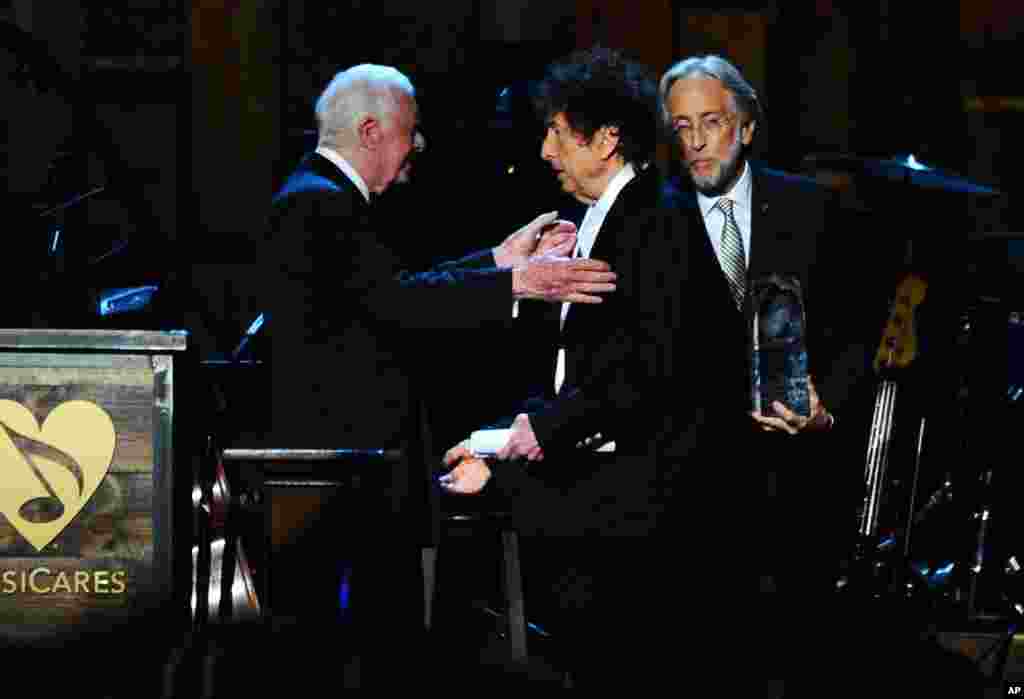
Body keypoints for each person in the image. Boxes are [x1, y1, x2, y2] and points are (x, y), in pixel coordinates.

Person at [262, 63, 618, 687]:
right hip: (348, 478)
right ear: (371, 131)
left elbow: (393, 292)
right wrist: (516, 281)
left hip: (361, 473)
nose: (419, 144)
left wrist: (499, 259)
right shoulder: (316, 205)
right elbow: (397, 305)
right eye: (410, 130)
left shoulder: (325, 198)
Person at [438, 47, 694, 688]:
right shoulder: (595, 223)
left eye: (557, 131)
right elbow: (567, 365)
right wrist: (496, 443)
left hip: (628, 507)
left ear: (607, 138)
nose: (547, 151)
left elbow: (645, 369)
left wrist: (532, 433)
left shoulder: (656, 221)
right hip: (589, 490)